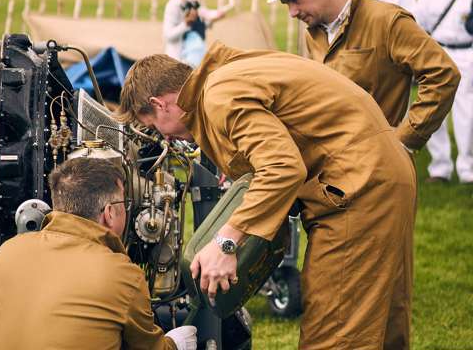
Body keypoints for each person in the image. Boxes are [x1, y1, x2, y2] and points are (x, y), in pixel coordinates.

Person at [117, 42, 417, 349]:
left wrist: (226, 242)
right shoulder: (225, 76)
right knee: (384, 325)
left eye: (154, 124)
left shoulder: (219, 94)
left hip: (359, 187)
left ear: (161, 103)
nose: (164, 137)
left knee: (335, 328)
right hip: (381, 174)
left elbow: (282, 168)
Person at [0, 157, 197, 350]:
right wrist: (175, 344)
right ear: (109, 213)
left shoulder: (9, 251)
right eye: (124, 203)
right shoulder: (122, 275)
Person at [270, 0, 460, 155]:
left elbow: (443, 74)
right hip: (332, 164)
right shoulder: (313, 33)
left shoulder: (387, 20)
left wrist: (406, 139)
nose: (292, 13)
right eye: (286, 4)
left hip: (379, 165)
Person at [414, 0, 473, 183]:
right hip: (437, 52)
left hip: (467, 52)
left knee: (466, 113)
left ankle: (468, 169)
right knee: (433, 110)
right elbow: (418, 21)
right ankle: (440, 168)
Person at [163, 0, 234, 67]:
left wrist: (212, 20)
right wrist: (186, 24)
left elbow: (198, 27)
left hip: (195, 62)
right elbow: (168, 35)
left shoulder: (196, 2)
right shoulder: (175, 3)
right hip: (177, 64)